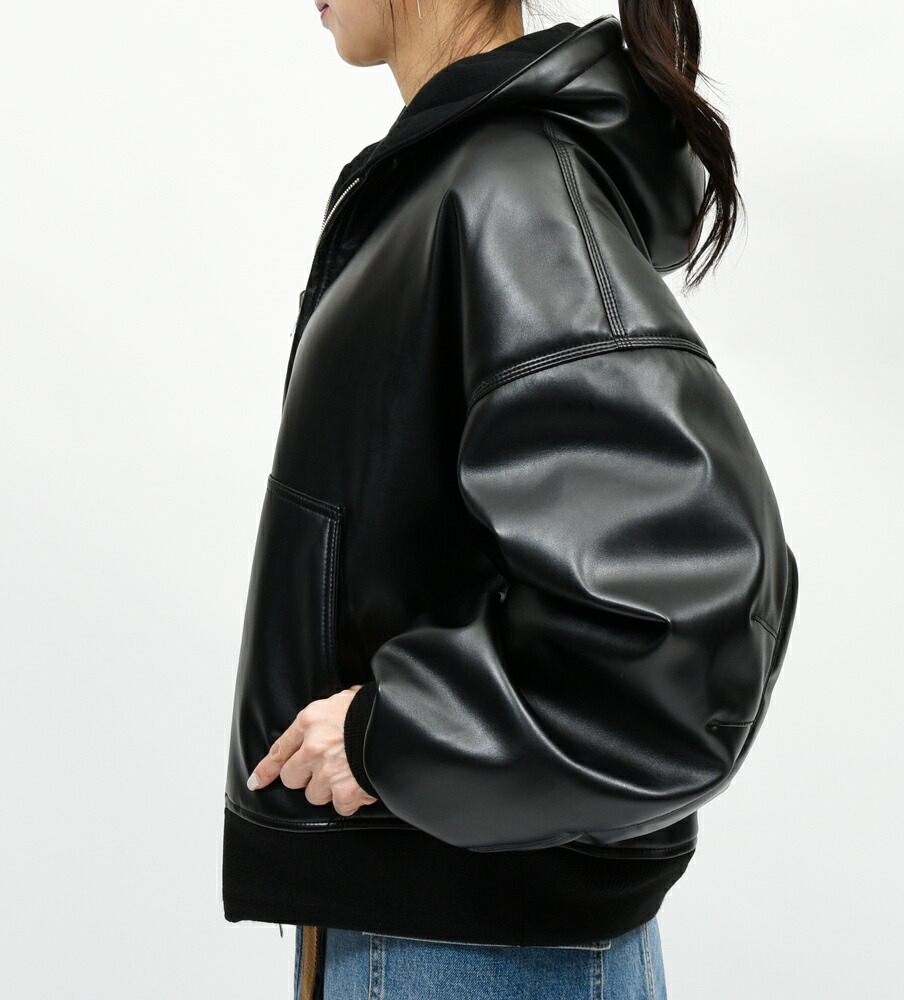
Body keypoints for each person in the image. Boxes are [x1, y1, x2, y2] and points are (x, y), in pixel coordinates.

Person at [222, 2, 800, 998]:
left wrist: (396, 737)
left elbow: (683, 628)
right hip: (443, 924)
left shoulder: (512, 190)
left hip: (468, 948)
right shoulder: (462, 180)